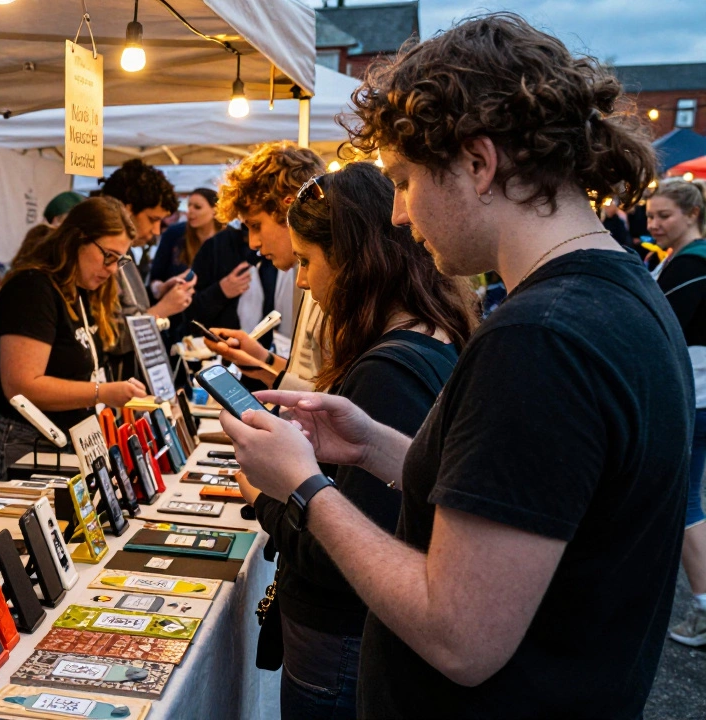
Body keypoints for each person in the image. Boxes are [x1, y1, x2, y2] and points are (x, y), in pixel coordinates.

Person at [222, 14, 690, 718]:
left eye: (405, 181)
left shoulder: (541, 340)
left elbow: (460, 632)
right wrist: (379, 447)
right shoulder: (622, 296)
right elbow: (528, 501)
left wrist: (305, 487)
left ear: (478, 162)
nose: (402, 217)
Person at [215, 163, 477, 719]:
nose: (303, 281)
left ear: (356, 259)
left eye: (309, 261)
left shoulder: (389, 369)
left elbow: (351, 549)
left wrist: (268, 490)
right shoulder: (426, 335)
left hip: (340, 641)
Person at [0, 197, 148, 482]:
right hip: (17, 441)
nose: (113, 269)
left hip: (56, 439)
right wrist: (101, 392)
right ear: (77, 240)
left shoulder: (80, 289)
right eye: (108, 256)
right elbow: (22, 386)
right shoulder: (33, 289)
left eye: (120, 260)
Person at [187, 142, 324, 372]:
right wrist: (260, 358)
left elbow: (325, 394)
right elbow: (310, 382)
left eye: (256, 226)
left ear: (288, 208)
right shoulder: (304, 276)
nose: (253, 243)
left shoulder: (332, 283)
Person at [646, 178, 706, 647]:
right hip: (697, 393)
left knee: (683, 501)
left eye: (664, 215)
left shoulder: (691, 265)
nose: (654, 224)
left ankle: (704, 607)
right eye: (650, 216)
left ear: (691, 213)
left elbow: (658, 328)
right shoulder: (678, 260)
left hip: (695, 396)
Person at [98, 160, 195, 375]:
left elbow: (130, 308)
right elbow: (108, 337)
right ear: (126, 209)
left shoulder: (127, 252)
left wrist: (159, 292)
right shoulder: (101, 258)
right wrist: (162, 309)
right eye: (152, 219)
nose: (157, 231)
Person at [148, 187, 223, 299]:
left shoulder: (229, 237)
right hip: (177, 307)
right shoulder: (174, 233)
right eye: (189, 206)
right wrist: (163, 287)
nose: (190, 211)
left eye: (197, 207)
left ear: (215, 210)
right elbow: (155, 278)